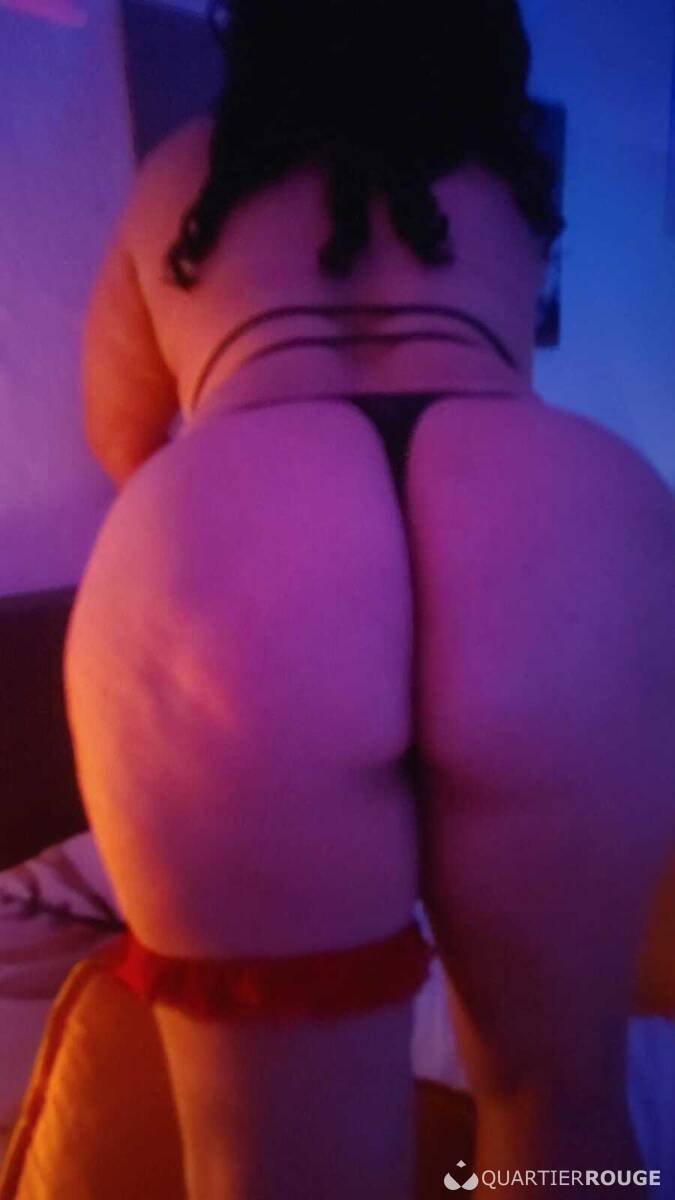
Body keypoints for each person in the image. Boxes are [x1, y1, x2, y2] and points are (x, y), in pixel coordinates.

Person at [63, 1, 675, 1196]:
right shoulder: (504, 175)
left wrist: (238, 551)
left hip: (245, 518)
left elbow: (121, 432)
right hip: (553, 522)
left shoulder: (181, 172)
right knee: (562, 1099)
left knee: (273, 1171)